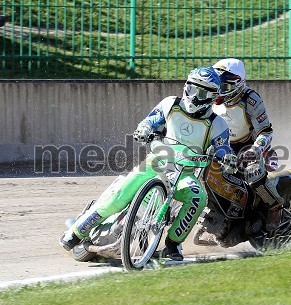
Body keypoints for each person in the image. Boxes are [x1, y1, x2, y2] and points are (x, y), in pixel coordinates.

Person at [59, 66, 236, 261]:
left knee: (198, 198)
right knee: (119, 196)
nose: (194, 96)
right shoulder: (170, 104)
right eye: (192, 89)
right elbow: (150, 121)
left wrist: (227, 157)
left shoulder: (218, 124)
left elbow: (223, 148)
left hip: (185, 174)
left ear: (212, 97)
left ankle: (173, 245)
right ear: (186, 86)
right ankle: (76, 233)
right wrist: (143, 129)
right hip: (155, 162)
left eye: (201, 92)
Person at [212, 58, 283, 230]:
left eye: (225, 87)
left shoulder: (251, 100)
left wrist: (255, 149)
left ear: (239, 83)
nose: (220, 91)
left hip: (247, 146)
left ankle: (275, 206)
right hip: (220, 145)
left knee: (252, 173)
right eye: (217, 85)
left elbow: (265, 131)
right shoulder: (207, 97)